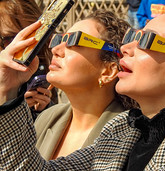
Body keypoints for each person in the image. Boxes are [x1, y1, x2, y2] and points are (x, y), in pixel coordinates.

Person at [0, 11, 165, 171]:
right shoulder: (122, 131)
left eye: (146, 40)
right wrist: (7, 89)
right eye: (132, 37)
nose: (125, 48)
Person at [34, 10, 137, 160]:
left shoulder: (127, 134)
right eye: (59, 40)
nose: (55, 50)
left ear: (108, 71)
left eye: (74, 42)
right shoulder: (48, 118)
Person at [0, 0, 57, 119]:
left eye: (30, 38)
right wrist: (9, 101)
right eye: (10, 39)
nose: (21, 46)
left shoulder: (37, 65)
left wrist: (43, 110)